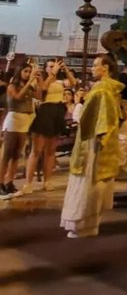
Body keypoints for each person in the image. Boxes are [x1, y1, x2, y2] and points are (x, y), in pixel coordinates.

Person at [60, 54, 124, 238]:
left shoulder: (100, 90)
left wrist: (79, 105)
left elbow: (88, 119)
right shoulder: (112, 89)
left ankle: (80, 224)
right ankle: (91, 224)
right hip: (102, 141)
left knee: (86, 183)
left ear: (105, 68)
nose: (92, 68)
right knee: (96, 182)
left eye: (95, 65)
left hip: (91, 143)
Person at [22, 57, 78, 194]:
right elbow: (42, 89)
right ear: (46, 68)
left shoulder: (60, 81)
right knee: (37, 150)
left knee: (51, 151)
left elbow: (74, 83)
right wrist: (52, 74)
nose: (53, 68)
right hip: (45, 112)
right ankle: (28, 183)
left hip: (57, 112)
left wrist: (65, 69)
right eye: (50, 66)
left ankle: (48, 180)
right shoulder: (39, 78)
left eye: (55, 65)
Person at [0, 62, 40, 197]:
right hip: (13, 120)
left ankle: (9, 182)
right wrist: (29, 84)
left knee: (17, 154)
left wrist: (36, 81)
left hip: (24, 121)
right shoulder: (12, 86)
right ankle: (0, 183)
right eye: (25, 71)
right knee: (7, 154)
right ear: (19, 72)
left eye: (29, 71)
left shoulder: (30, 86)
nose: (28, 74)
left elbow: (39, 96)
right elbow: (17, 97)